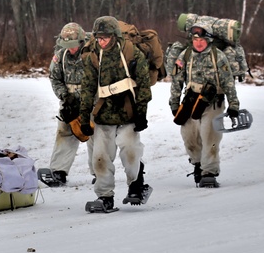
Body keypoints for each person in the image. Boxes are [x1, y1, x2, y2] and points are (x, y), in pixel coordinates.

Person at [77, 15, 153, 212]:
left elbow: (144, 85)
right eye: (98, 37)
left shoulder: (132, 53)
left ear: (114, 36)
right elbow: (87, 88)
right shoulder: (93, 56)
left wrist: (142, 114)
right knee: (100, 158)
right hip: (103, 115)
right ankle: (104, 197)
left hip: (129, 113)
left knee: (130, 152)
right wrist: (84, 118)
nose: (101, 41)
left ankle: (136, 184)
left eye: (105, 37)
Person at [168, 23, 241, 187]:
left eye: (202, 39)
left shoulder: (218, 57)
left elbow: (228, 81)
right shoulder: (185, 56)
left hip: (213, 102)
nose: (198, 42)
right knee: (189, 136)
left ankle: (209, 172)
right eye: (195, 39)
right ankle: (198, 164)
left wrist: (234, 104)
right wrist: (174, 103)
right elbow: (177, 81)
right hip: (191, 101)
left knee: (210, 136)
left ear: (208, 40)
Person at [43, 22, 95, 187]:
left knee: (96, 135)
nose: (70, 49)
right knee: (64, 133)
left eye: (73, 46)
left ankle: (100, 171)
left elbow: (100, 79)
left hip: (93, 101)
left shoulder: (93, 53)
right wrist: (65, 97)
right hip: (69, 101)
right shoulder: (60, 55)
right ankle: (58, 171)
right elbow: (55, 78)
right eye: (67, 46)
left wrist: (85, 99)